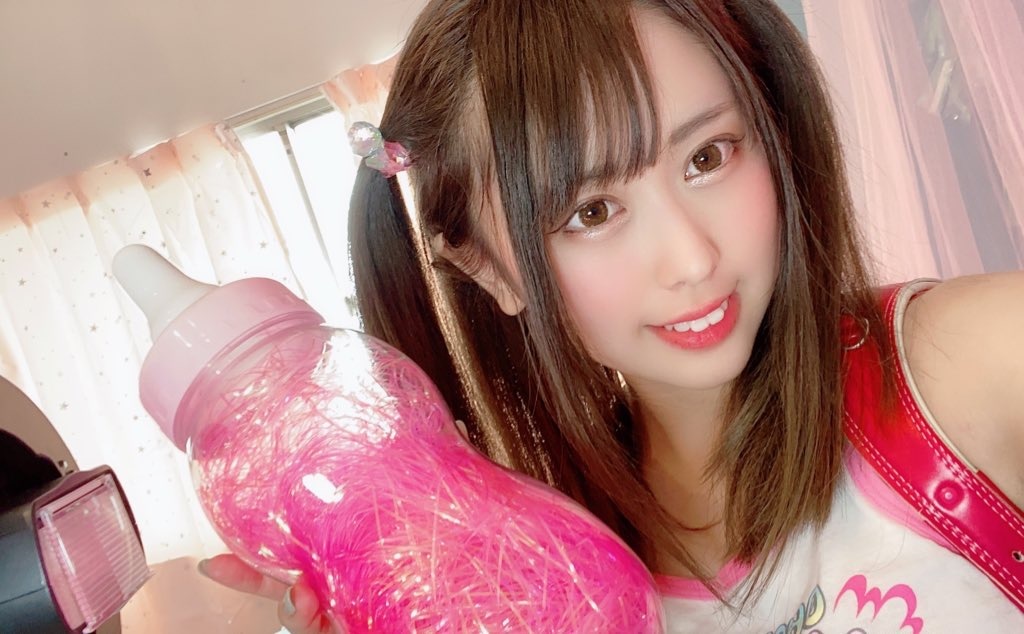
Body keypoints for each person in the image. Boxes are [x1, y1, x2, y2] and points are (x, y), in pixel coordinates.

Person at [200, 0, 1024, 630]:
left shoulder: (964, 370)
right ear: (486, 267)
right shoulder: (543, 579)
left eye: (707, 157)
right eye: (592, 212)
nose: (692, 258)